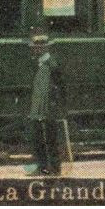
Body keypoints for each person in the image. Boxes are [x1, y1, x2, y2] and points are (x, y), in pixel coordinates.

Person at [25, 32, 65, 176]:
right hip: (37, 108)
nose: (35, 50)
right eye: (34, 48)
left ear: (44, 49)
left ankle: (55, 168)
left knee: (51, 139)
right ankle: (42, 167)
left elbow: (60, 87)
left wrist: (58, 107)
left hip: (48, 108)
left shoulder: (52, 65)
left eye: (38, 48)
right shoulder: (38, 64)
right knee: (38, 139)